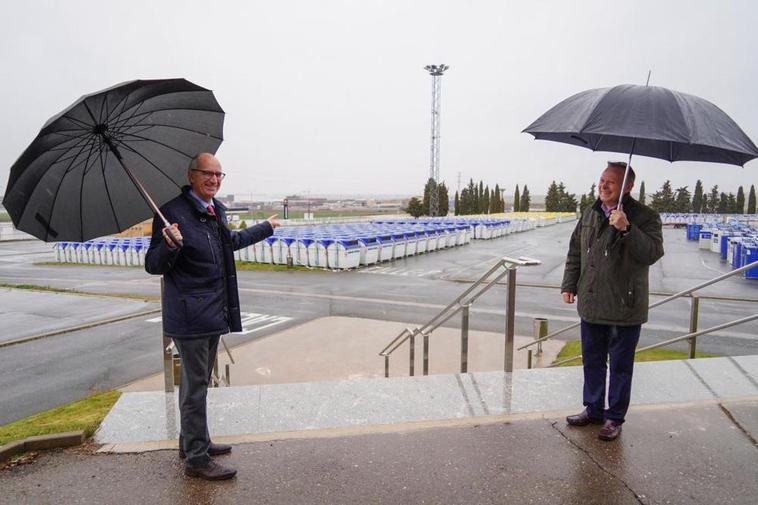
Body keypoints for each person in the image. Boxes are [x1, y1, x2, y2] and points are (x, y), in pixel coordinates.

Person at [145, 153, 279, 480]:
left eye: (219, 175)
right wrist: (169, 246)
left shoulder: (213, 210)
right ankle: (196, 460)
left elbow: (230, 242)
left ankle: (194, 441)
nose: (214, 180)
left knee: (197, 384)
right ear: (191, 175)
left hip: (212, 310)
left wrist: (266, 227)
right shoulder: (171, 214)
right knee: (195, 388)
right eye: (208, 173)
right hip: (190, 315)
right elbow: (153, 265)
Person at [560, 161, 664, 441]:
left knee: (620, 365)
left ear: (628, 187)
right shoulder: (590, 213)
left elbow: (652, 253)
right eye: (602, 180)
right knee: (592, 360)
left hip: (624, 306)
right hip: (591, 302)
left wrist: (627, 229)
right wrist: (569, 284)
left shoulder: (646, 216)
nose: (603, 185)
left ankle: (614, 418)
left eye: (611, 182)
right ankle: (593, 409)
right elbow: (575, 252)